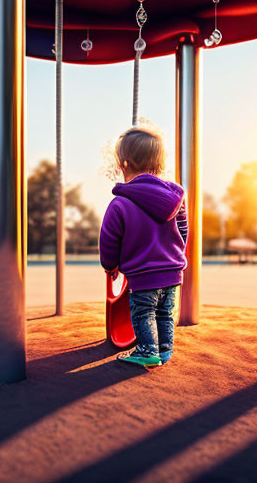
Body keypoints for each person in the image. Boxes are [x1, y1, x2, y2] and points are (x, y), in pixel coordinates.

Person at [100, 126, 188, 368]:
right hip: (172, 271)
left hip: (142, 274)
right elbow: (183, 230)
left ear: (125, 164)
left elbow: (109, 238)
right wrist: (176, 255)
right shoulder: (176, 197)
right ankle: (164, 349)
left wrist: (111, 265)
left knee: (143, 312)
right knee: (164, 312)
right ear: (159, 164)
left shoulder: (120, 203)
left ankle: (147, 350)